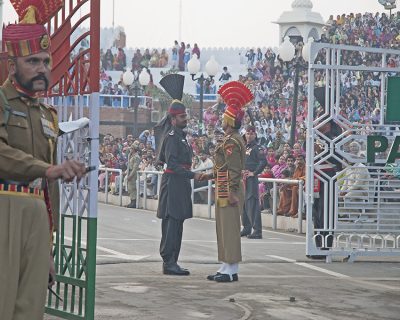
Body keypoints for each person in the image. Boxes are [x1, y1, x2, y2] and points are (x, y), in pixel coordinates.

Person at [0, 5, 87, 320]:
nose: (42, 68)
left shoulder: (48, 115)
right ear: (12, 66)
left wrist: (49, 248)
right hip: (4, 210)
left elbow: (49, 189)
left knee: (30, 309)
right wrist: (48, 169)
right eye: (32, 61)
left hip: (36, 215)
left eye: (46, 61)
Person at [202, 81, 252, 282]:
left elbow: (232, 169)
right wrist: (209, 176)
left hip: (229, 188)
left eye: (224, 117)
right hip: (223, 185)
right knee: (223, 228)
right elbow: (221, 167)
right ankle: (225, 265)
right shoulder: (228, 139)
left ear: (230, 121)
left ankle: (231, 269)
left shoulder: (232, 141)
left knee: (230, 229)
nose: (221, 120)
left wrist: (231, 191)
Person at [155, 74, 202, 276]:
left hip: (179, 183)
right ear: (174, 119)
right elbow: (173, 163)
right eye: (182, 117)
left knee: (178, 223)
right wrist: (193, 175)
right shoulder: (173, 137)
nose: (186, 119)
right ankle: (169, 261)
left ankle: (173, 260)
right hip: (174, 182)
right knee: (172, 223)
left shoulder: (180, 137)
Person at [241, 126, 267, 239]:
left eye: (252, 133)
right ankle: (246, 228)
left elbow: (263, 162)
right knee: (243, 204)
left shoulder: (258, 148)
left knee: (252, 204)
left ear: (255, 135)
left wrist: (255, 173)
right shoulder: (244, 147)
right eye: (248, 133)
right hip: (243, 178)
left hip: (251, 179)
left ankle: (257, 231)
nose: (249, 135)